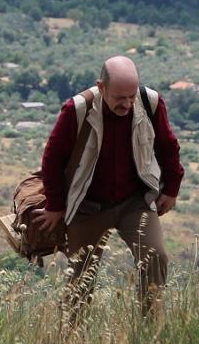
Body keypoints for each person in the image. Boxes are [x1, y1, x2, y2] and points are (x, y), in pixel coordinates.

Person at [37, 55, 183, 327]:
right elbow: (52, 158)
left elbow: (167, 145)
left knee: (156, 258)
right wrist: (55, 206)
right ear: (101, 87)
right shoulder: (77, 110)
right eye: (120, 98)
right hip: (87, 205)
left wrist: (171, 189)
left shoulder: (149, 102)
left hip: (134, 201)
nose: (127, 104)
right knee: (81, 278)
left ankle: (149, 334)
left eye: (131, 97)